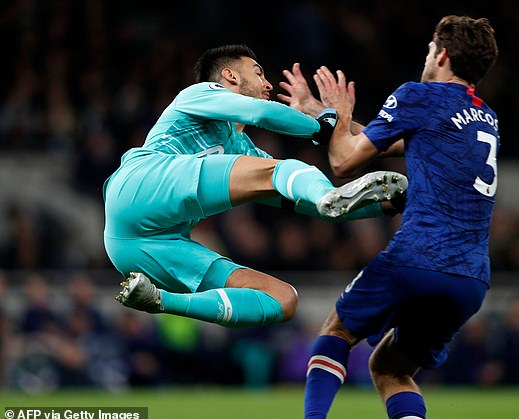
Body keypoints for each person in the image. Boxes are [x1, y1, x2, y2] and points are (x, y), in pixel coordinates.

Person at [280, 16, 499, 419]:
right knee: (390, 369)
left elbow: (344, 161)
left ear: (443, 54)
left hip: (416, 257)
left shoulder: (418, 95)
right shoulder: (486, 118)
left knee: (336, 332)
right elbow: (383, 143)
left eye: (431, 48)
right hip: (470, 277)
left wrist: (340, 113)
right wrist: (319, 114)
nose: (427, 55)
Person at [103, 45, 408, 329]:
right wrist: (325, 124)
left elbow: (308, 204)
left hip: (138, 246)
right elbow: (261, 113)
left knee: (282, 298)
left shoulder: (247, 155)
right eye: (258, 72)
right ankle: (330, 191)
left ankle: (158, 300)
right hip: (139, 183)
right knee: (287, 170)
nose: (268, 84)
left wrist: (389, 203)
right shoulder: (199, 93)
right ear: (230, 75)